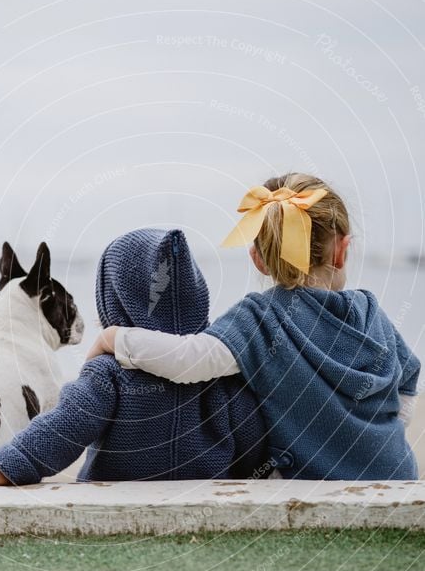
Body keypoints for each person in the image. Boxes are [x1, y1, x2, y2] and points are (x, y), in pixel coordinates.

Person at [87, 175, 420, 480]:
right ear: (341, 250)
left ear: (258, 259)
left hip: (312, 484)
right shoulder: (371, 312)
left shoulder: (260, 318)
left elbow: (189, 360)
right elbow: (408, 380)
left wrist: (116, 338)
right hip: (396, 474)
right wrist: (380, 435)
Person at [0, 228, 267, 488]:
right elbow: (253, 442)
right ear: (196, 295)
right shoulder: (219, 373)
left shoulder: (109, 373)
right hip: (204, 502)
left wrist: (9, 467)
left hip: (111, 498)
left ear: (114, 299)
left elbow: (64, 427)